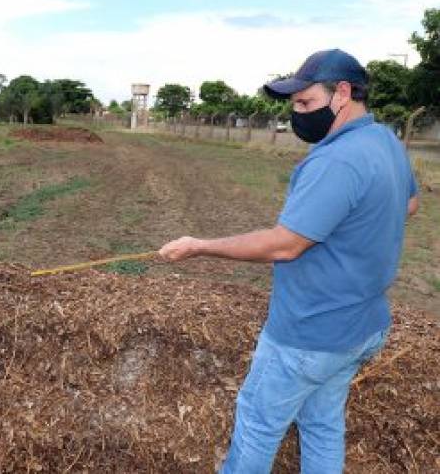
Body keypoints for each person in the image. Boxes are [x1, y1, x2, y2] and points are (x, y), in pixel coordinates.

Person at [159, 48, 419, 474]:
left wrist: (198, 245)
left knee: (258, 424)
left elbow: (284, 245)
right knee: (321, 423)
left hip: (309, 334)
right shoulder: (384, 140)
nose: (297, 114)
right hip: (362, 327)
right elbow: (407, 204)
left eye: (305, 103)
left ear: (343, 93)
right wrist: (355, 233)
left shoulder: (336, 160)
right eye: (293, 105)